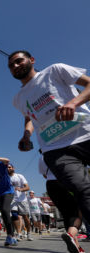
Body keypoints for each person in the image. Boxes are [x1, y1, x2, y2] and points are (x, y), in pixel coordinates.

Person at [8, 50, 90, 228]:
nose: (15, 66)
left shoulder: (55, 70)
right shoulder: (18, 99)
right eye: (11, 66)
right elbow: (29, 116)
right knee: (82, 190)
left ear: (32, 60)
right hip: (55, 149)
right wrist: (26, 135)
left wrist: (73, 103)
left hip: (85, 134)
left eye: (18, 61)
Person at [38, 155, 85, 253]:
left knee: (66, 214)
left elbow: (44, 174)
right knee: (77, 213)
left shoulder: (42, 157)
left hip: (51, 185)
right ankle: (71, 235)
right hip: (66, 181)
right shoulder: (66, 150)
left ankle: (76, 245)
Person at [8, 164, 32, 241]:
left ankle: (28, 233)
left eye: (9, 167)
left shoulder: (19, 176)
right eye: (7, 168)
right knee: (14, 215)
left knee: (25, 217)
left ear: (13, 168)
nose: (8, 169)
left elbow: (27, 187)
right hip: (12, 200)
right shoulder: (6, 178)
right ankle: (19, 234)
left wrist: (21, 189)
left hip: (22, 199)